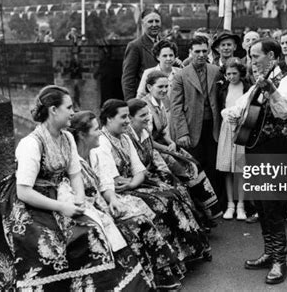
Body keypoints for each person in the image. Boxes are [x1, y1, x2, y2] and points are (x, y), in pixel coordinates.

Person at [0, 86, 150, 291]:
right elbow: (24, 191)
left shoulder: (67, 137)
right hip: (29, 203)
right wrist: (62, 207)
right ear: (53, 110)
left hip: (59, 193)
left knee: (100, 225)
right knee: (64, 241)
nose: (73, 112)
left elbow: (74, 174)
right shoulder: (32, 143)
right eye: (69, 107)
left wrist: (80, 198)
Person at [70, 111, 185, 290]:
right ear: (82, 135)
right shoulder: (72, 161)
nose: (100, 132)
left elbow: (105, 182)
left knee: (142, 217)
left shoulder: (94, 154)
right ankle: (142, 280)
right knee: (134, 223)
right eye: (95, 129)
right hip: (88, 212)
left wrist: (112, 199)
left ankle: (162, 273)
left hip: (104, 203)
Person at [91, 99, 212, 264]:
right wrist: (132, 182)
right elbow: (113, 180)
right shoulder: (102, 142)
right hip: (117, 190)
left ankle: (190, 251)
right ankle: (171, 259)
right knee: (160, 202)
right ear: (109, 119)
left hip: (133, 184)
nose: (127, 121)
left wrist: (134, 182)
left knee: (173, 194)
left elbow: (139, 170)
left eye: (128, 117)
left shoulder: (125, 138)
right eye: (123, 117)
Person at [226, 38, 287, 285]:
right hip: (255, 149)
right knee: (260, 203)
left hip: (274, 151)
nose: (251, 61)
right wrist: (234, 115)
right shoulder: (257, 83)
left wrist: (271, 90)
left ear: (271, 55)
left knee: (273, 205)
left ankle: (280, 260)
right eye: (250, 56)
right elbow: (240, 106)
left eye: (255, 56)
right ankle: (269, 253)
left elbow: (286, 110)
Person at [142, 71, 222, 222]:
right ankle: (194, 216)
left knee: (193, 165)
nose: (164, 90)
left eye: (167, 86)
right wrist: (167, 149)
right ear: (149, 87)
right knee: (182, 172)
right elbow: (147, 140)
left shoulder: (161, 102)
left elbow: (163, 131)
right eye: (160, 87)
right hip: (151, 150)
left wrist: (171, 142)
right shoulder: (145, 107)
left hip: (164, 145)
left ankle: (207, 212)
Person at [170, 36, 223, 204]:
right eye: (197, 51)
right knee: (194, 166)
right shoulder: (181, 75)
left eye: (204, 51)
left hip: (214, 126)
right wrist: (182, 132)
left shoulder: (215, 71)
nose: (201, 54)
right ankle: (198, 205)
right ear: (190, 52)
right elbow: (176, 106)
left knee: (214, 165)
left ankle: (216, 205)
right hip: (192, 127)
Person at [216, 60, 251, 220]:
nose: (231, 76)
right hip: (226, 128)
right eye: (228, 74)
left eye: (234, 73)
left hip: (242, 128)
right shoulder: (222, 88)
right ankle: (230, 204)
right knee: (227, 169)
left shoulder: (248, 87)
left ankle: (241, 205)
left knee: (240, 168)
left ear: (241, 73)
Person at [122, 9, 162, 100]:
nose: (154, 25)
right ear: (142, 24)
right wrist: (131, 104)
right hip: (146, 99)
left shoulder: (166, 44)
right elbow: (128, 79)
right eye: (150, 22)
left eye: (157, 21)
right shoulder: (135, 46)